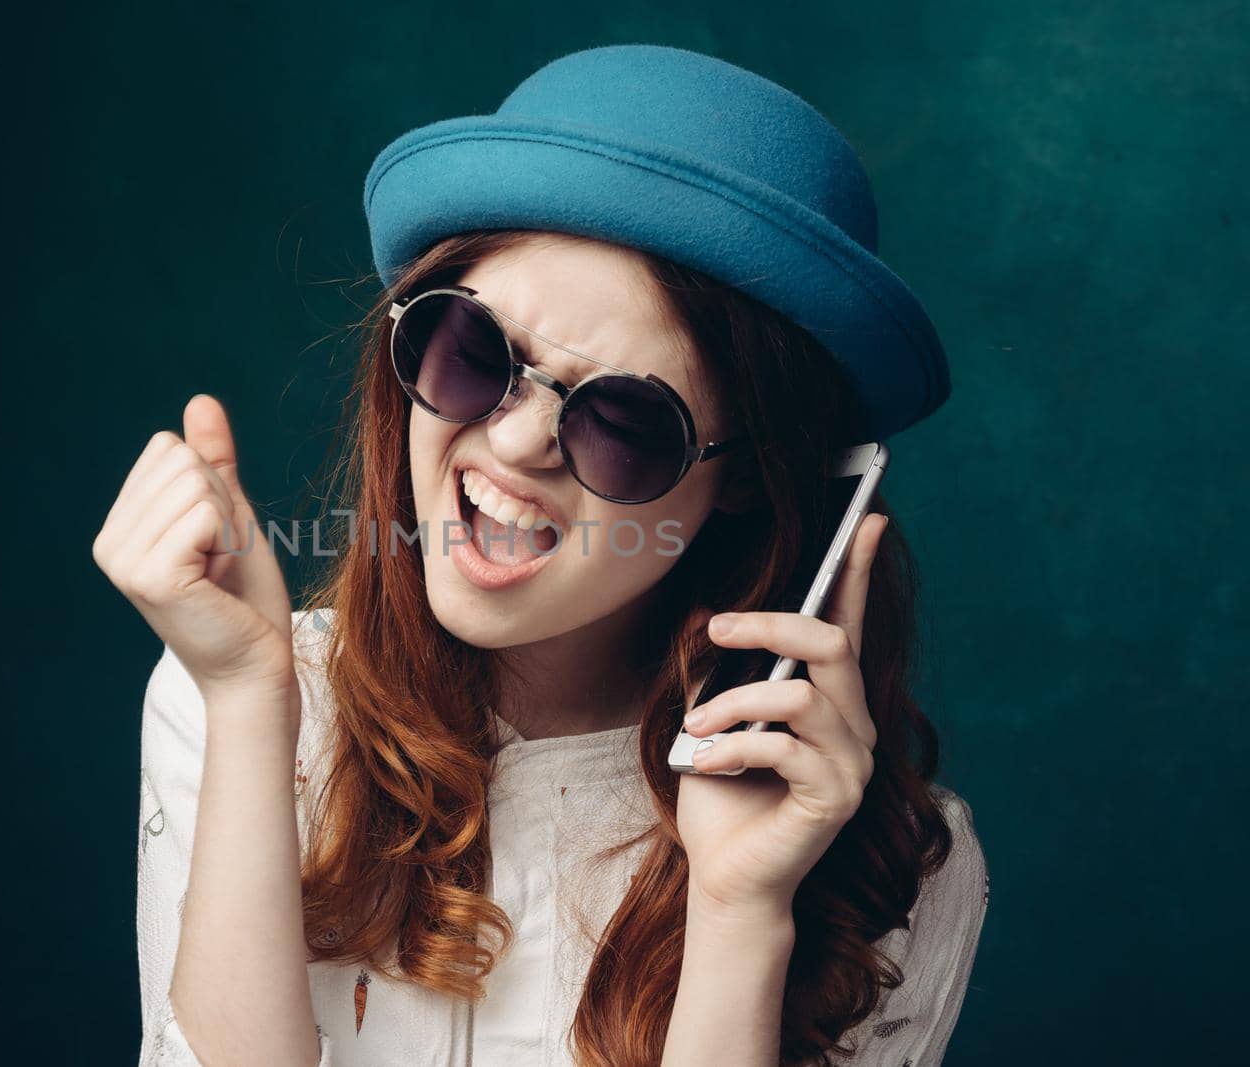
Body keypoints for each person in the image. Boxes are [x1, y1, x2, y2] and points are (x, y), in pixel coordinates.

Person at [95, 44, 988, 1067]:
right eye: (475, 351)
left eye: (624, 418)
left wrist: (741, 909)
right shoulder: (243, 696)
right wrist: (252, 704)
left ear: (748, 474)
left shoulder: (893, 862)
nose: (515, 442)